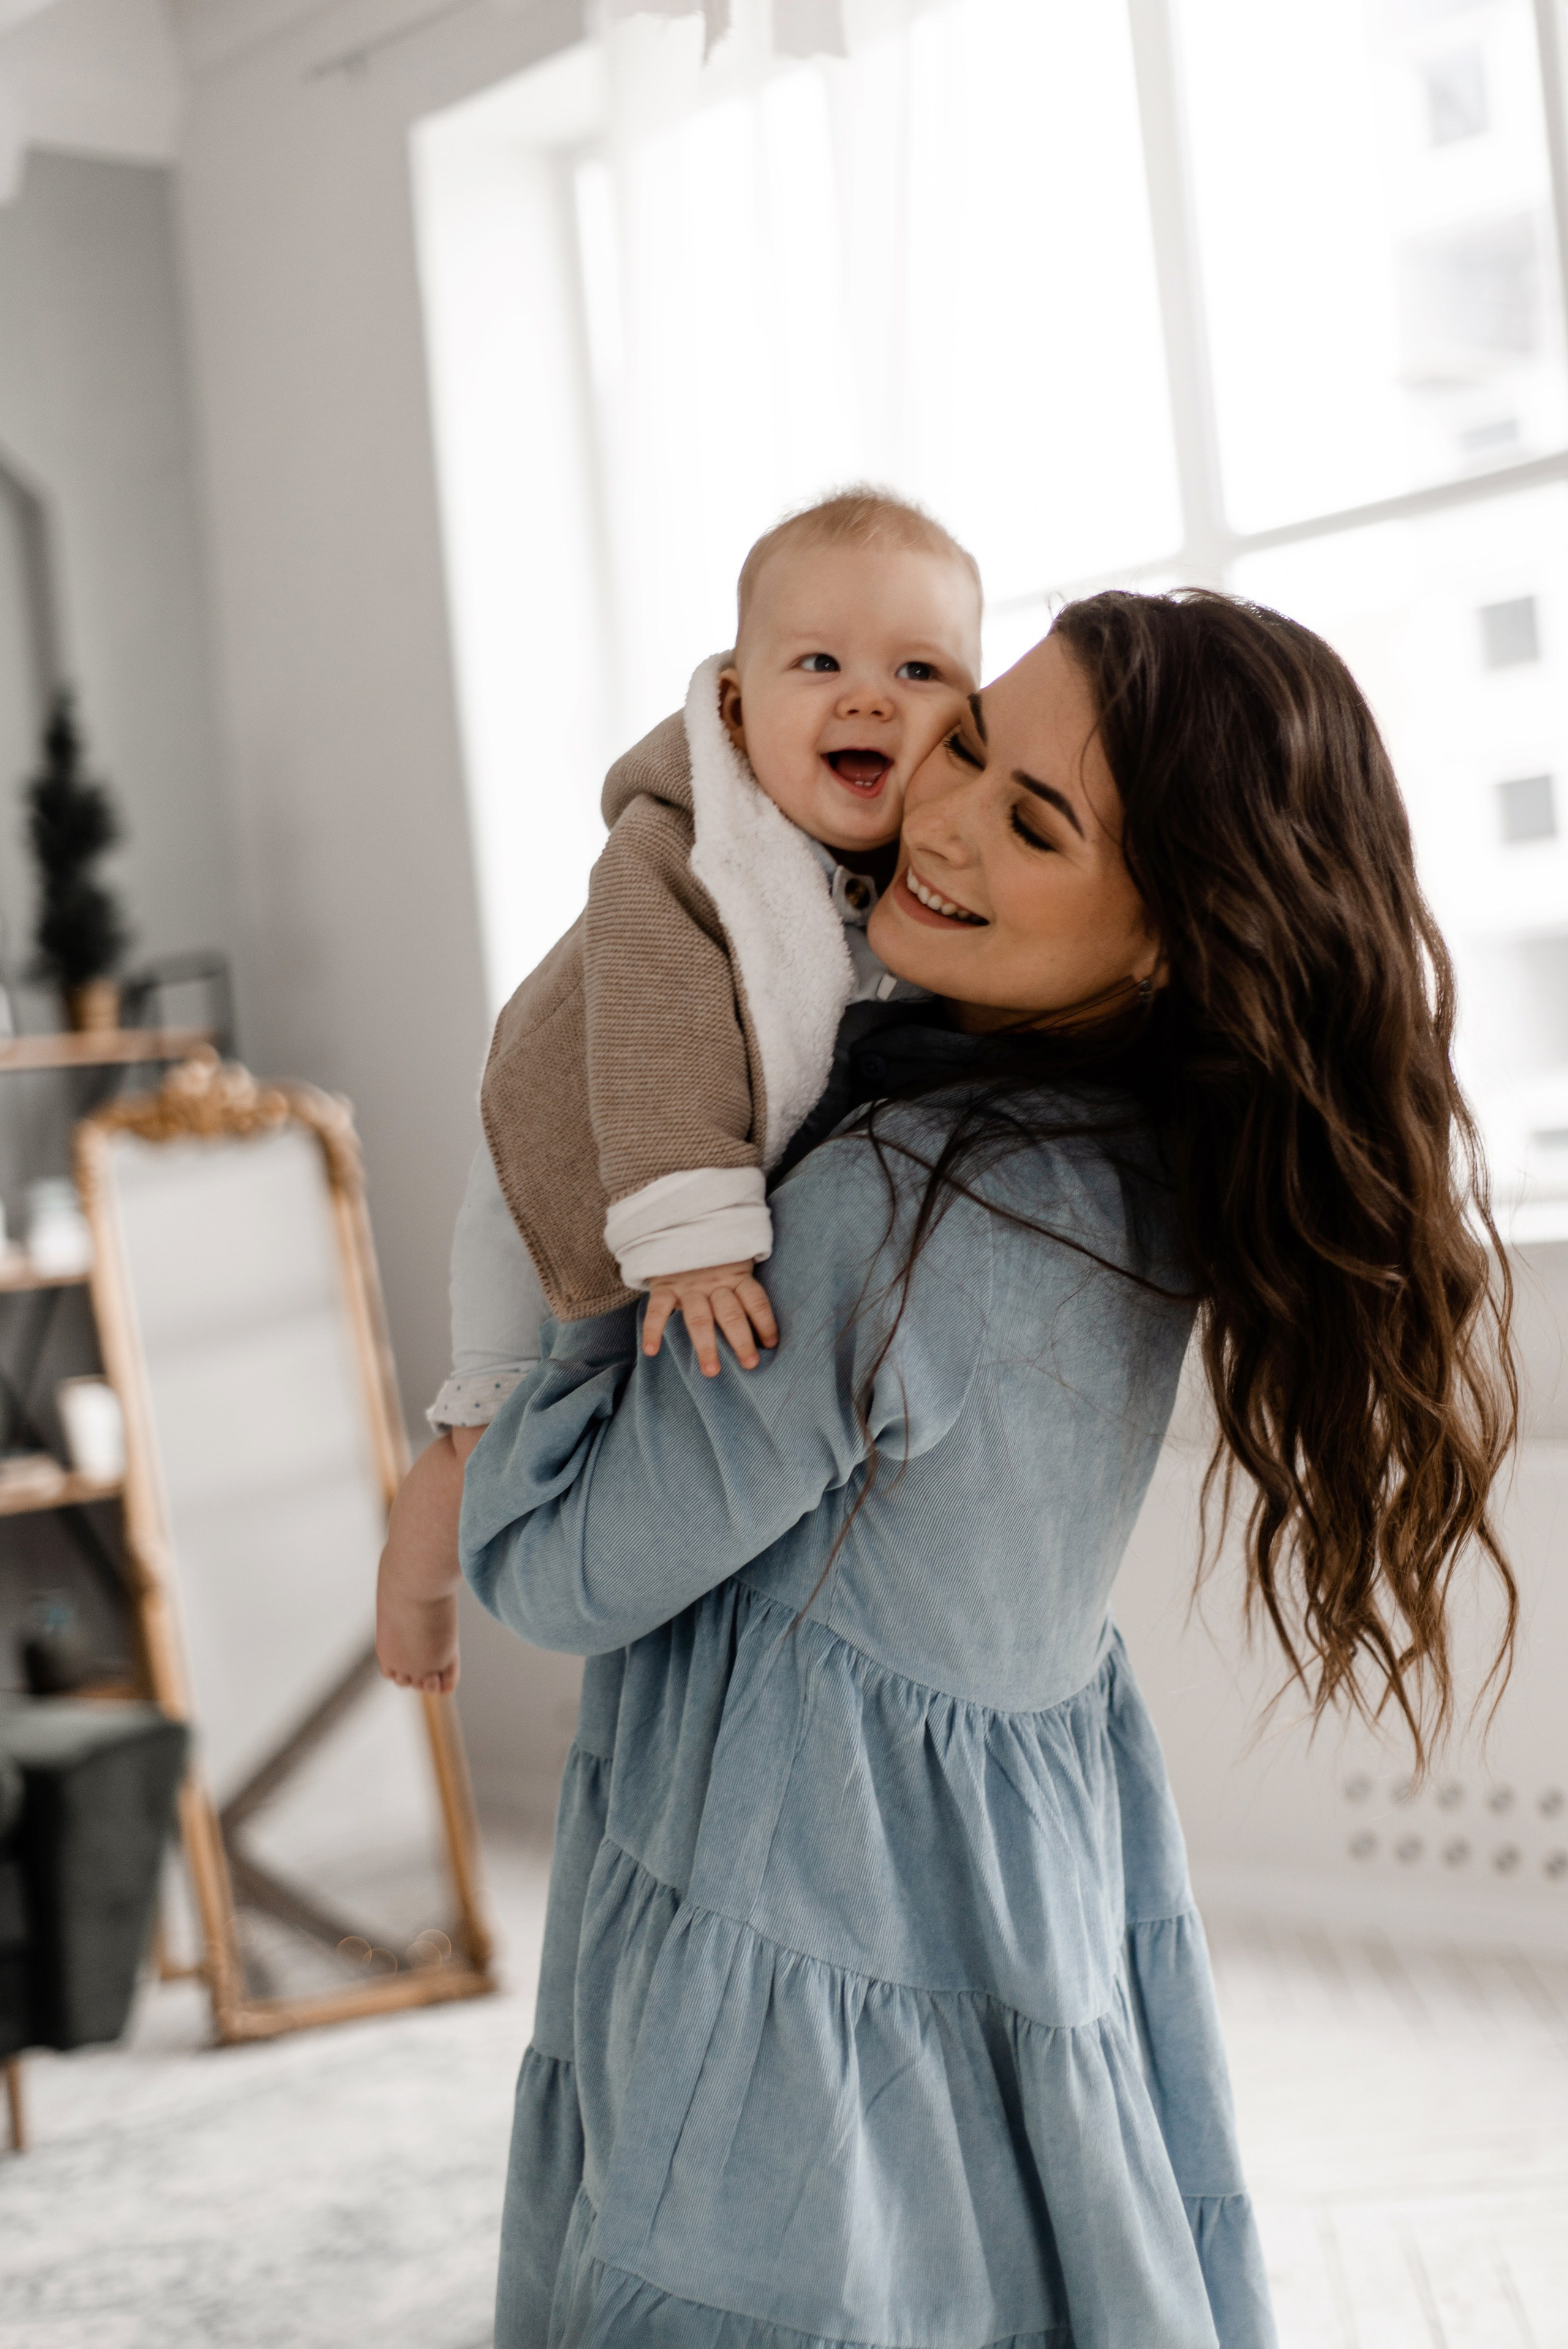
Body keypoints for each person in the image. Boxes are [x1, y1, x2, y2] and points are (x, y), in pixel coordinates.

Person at [466, 589, 1515, 2348]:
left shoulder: (882, 1215)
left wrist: (579, 1291)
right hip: (1007, 1868)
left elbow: (558, 1571)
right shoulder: (1142, 1184)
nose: (938, 815)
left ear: (1180, 934)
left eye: (1033, 821)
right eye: (967, 741)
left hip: (794, 1877)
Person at [376, 488, 981, 1697]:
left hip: (682, 1175)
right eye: (818, 661)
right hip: (558, 1158)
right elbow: (656, 1041)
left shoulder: (900, 863)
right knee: (500, 1419)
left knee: (631, 1423)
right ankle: (418, 1591)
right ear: (734, 699)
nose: (868, 696)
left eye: (917, 670)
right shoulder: (679, 850)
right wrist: (697, 1246)